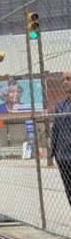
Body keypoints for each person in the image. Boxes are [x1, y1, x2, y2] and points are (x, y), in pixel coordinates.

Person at [52, 71, 71, 207]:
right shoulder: (60, 105)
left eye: (68, 79)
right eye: (63, 80)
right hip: (63, 157)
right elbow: (55, 129)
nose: (64, 82)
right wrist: (53, 153)